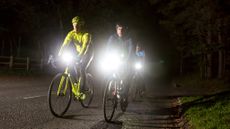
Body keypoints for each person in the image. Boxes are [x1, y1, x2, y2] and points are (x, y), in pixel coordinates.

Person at [58, 16, 93, 90]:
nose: (75, 28)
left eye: (77, 26)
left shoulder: (86, 35)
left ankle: (85, 87)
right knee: (76, 68)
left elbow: (85, 47)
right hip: (78, 52)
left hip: (88, 53)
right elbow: (64, 44)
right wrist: (59, 54)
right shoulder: (71, 34)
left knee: (82, 68)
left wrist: (79, 56)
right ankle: (78, 84)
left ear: (81, 26)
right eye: (74, 26)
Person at [106, 22, 134, 106]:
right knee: (107, 72)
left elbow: (130, 50)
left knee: (126, 79)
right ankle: (110, 91)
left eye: (122, 29)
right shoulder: (112, 38)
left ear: (124, 30)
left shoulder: (128, 39)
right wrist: (107, 57)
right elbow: (108, 48)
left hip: (125, 61)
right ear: (116, 30)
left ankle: (124, 95)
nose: (121, 31)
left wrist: (127, 59)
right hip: (115, 60)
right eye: (119, 29)